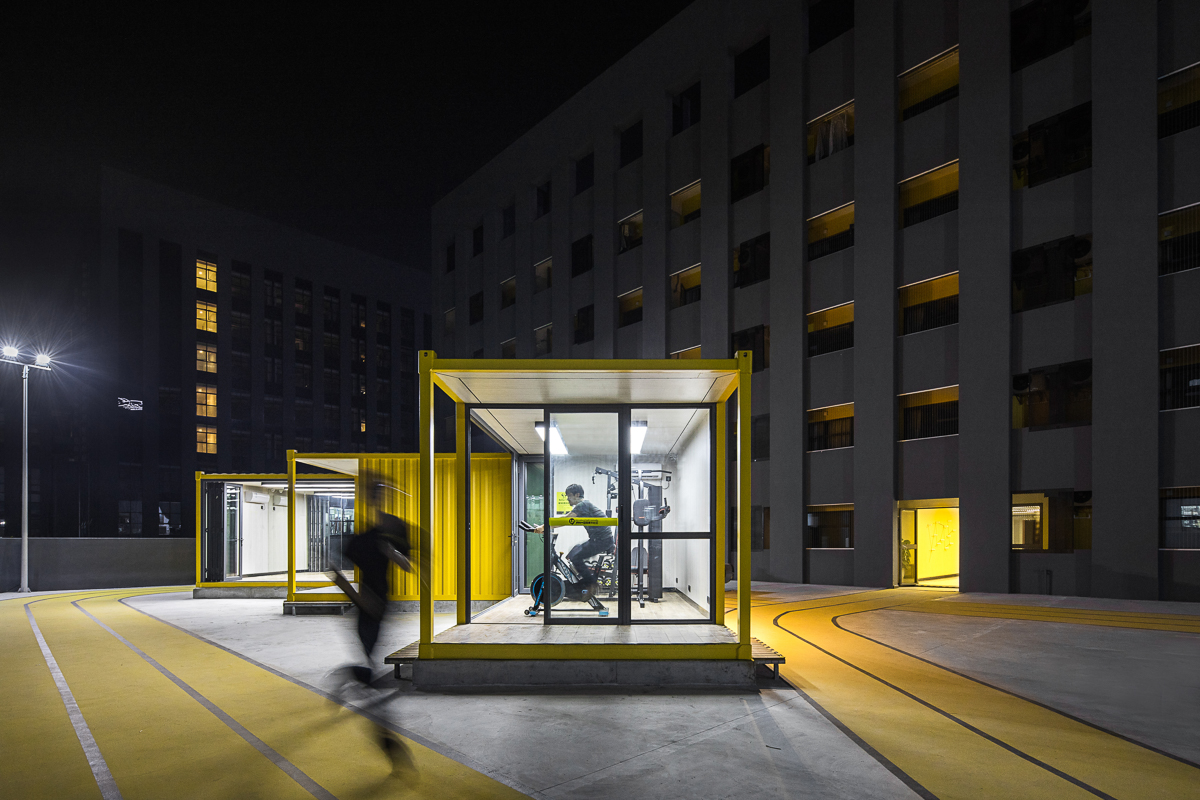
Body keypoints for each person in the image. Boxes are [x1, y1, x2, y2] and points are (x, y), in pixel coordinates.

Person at [327, 477, 414, 767]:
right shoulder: (360, 540)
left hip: (382, 608)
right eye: (375, 493)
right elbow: (337, 572)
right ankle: (387, 741)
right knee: (372, 677)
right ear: (368, 498)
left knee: (369, 670)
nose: (380, 499)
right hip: (367, 610)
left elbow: (408, 565)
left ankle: (349, 675)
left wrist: (393, 553)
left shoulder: (394, 530)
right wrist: (358, 598)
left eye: (383, 493)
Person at [535, 483, 614, 610]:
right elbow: (567, 519)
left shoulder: (583, 505)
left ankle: (590, 584)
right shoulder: (583, 506)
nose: (567, 499)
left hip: (602, 541)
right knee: (572, 553)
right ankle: (582, 581)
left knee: (576, 557)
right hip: (599, 539)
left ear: (577, 495)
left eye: (569, 496)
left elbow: (566, 519)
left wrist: (544, 526)